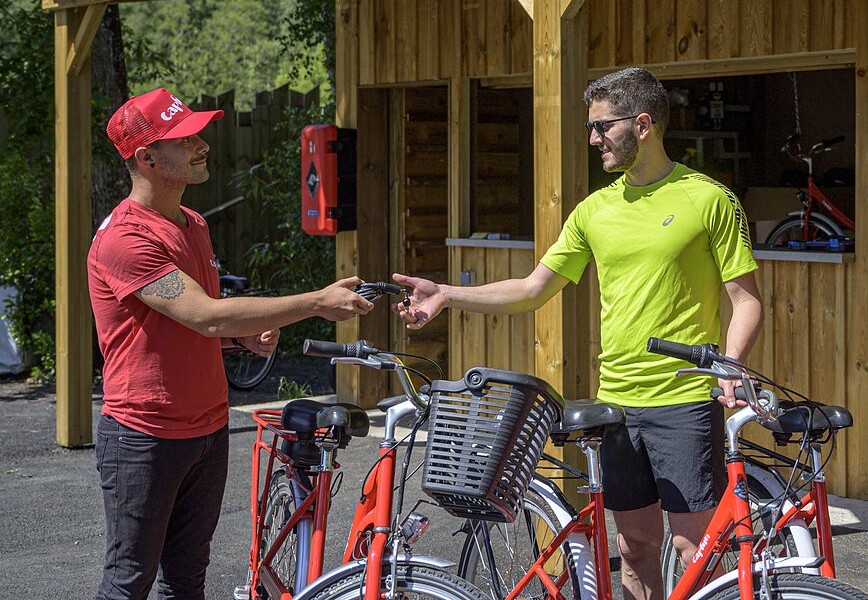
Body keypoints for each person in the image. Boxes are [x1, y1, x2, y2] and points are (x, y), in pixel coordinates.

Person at [395, 67, 763, 600]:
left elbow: (746, 301)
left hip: (683, 402)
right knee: (634, 548)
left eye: (602, 126)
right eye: (591, 127)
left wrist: (730, 364)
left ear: (642, 125)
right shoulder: (595, 209)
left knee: (695, 553)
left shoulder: (708, 199)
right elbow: (532, 289)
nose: (593, 139)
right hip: (617, 404)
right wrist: (448, 295)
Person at [88, 87, 374, 600]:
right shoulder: (126, 238)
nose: (202, 145)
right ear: (147, 158)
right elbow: (204, 316)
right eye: (185, 139)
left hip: (207, 428)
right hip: (144, 437)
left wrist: (241, 337)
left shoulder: (193, 224)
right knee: (129, 580)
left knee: (187, 580)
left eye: (197, 135)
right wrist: (315, 302)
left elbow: (187, 325)